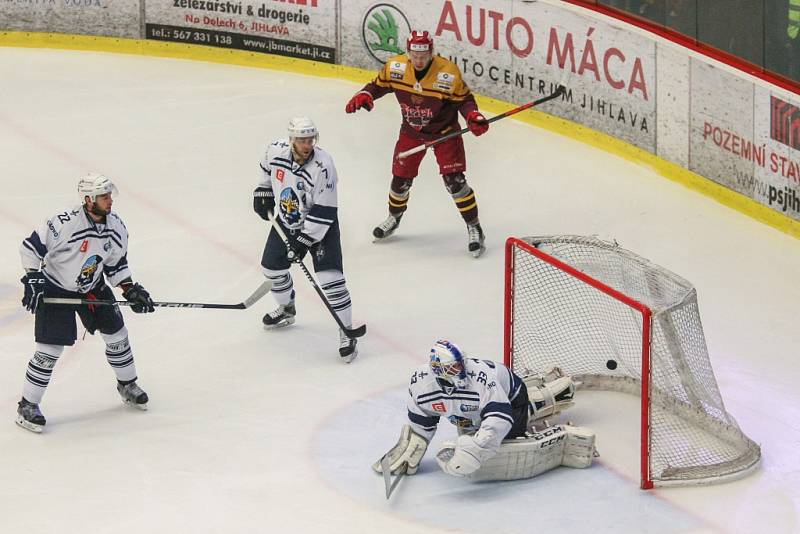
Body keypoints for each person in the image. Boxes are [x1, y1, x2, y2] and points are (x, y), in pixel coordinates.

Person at [16, 173, 155, 433]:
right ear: (89, 199)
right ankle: (28, 405)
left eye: (110, 195)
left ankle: (127, 385)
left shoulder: (116, 227)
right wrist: (33, 278)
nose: (110, 200)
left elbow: (116, 264)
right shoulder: (64, 223)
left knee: (118, 336)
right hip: (57, 289)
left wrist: (130, 289)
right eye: (104, 196)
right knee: (49, 350)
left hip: (93, 288)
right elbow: (30, 248)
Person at [345, 30, 490, 258]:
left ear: (431, 53)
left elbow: (465, 100)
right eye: (415, 55)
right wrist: (366, 94)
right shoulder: (396, 68)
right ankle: (394, 218)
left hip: (445, 132)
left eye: (423, 56)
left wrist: (472, 116)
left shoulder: (448, 73)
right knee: (400, 181)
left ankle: (474, 227)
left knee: (455, 182)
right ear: (408, 52)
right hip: (412, 132)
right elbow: (379, 85)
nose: (419, 60)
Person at [373, 340, 596, 480]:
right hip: (469, 414)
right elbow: (422, 417)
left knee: (501, 439)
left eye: (460, 364)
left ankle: (544, 399)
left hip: (512, 397)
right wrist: (417, 440)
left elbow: (500, 416)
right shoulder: (420, 382)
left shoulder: (480, 377)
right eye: (452, 367)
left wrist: (479, 447)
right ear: (438, 370)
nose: (459, 370)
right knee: (468, 432)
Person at [252, 117, 358, 363]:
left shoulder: (324, 165)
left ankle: (347, 330)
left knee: (331, 280)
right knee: (272, 267)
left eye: (310, 139)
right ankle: (287, 309)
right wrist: (263, 190)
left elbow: (325, 209)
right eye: (302, 140)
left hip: (321, 227)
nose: (307, 144)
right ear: (292, 140)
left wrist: (304, 240)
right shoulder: (275, 149)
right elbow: (266, 167)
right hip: (288, 219)